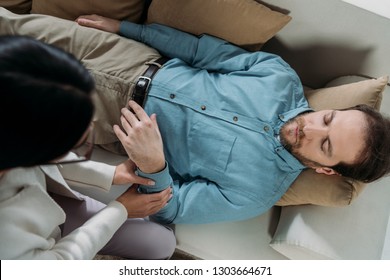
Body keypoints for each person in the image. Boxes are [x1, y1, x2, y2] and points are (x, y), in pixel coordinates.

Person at [1, 8, 389, 225]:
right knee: (9, 25)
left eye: (325, 144)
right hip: (125, 56)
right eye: (328, 119)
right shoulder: (279, 76)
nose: (310, 126)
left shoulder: (254, 194)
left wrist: (154, 164)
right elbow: (202, 51)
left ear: (327, 170)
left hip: (101, 117)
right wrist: (125, 28)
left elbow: (173, 206)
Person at [0, 35, 176, 260]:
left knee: (160, 241)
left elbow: (48, 162)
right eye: (79, 141)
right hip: (42, 237)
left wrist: (112, 173)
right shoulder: (8, 245)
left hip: (46, 200)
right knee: (160, 244)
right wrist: (119, 210)